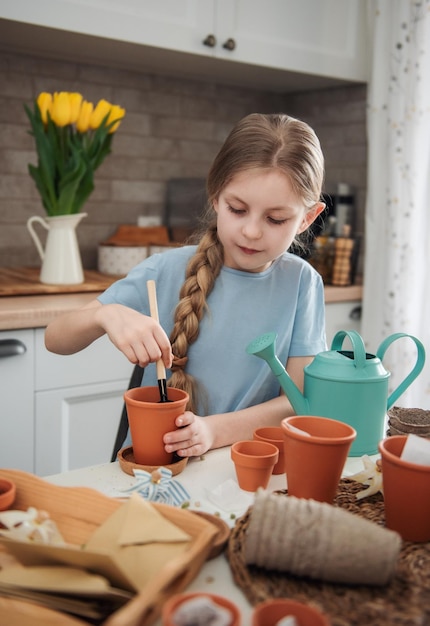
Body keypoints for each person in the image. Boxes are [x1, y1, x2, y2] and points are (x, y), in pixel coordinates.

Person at [45, 113, 327, 459]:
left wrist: (213, 431)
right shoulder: (164, 270)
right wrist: (106, 315)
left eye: (275, 219)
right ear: (215, 198)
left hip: (245, 467)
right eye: (237, 210)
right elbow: (55, 339)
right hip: (152, 469)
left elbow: (299, 400)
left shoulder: (302, 283)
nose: (252, 231)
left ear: (307, 218)